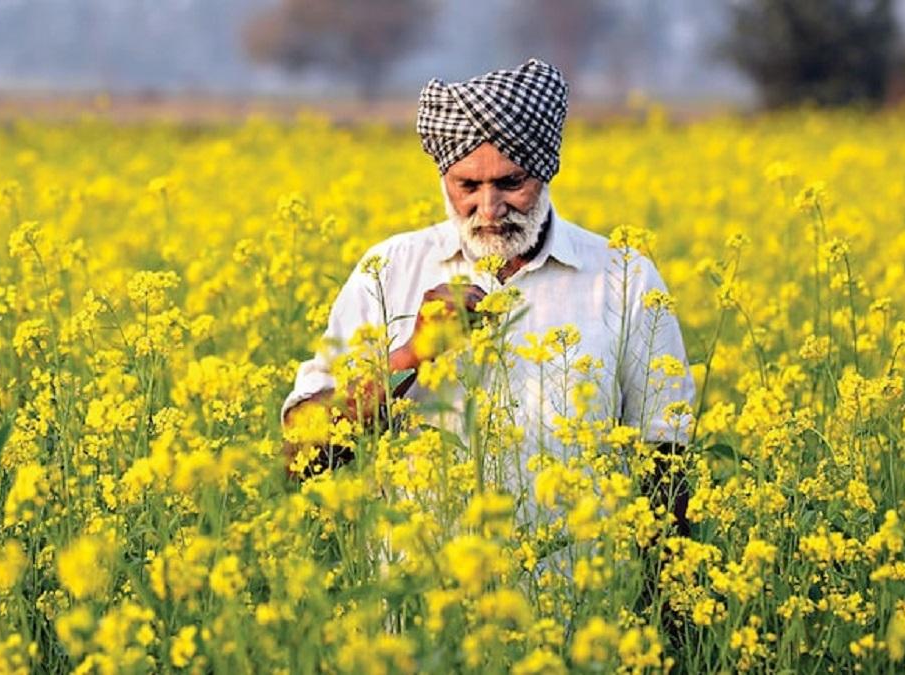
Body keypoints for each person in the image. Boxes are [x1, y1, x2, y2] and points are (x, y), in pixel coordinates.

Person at [281, 60, 695, 541]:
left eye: (510, 183)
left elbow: (666, 461)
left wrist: (670, 608)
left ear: (545, 171)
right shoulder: (390, 270)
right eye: (468, 187)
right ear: (445, 182)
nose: (489, 209)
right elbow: (300, 454)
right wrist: (408, 356)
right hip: (419, 601)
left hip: (581, 602)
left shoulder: (625, 279)